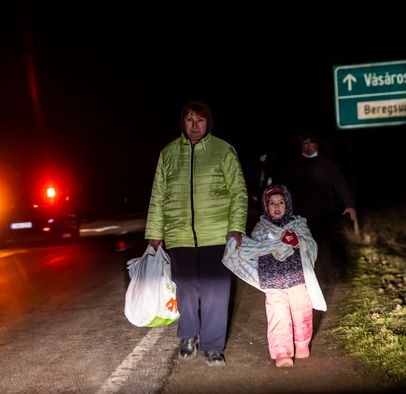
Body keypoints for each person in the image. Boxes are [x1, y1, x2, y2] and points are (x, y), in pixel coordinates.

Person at [145, 100, 248, 366]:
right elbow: (158, 196)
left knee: (216, 290)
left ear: (207, 123)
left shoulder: (223, 150)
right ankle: (189, 335)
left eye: (199, 120)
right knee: (186, 288)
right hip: (179, 234)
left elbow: (238, 192)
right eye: (189, 120)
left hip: (217, 234)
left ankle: (213, 346)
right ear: (183, 123)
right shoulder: (168, 154)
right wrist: (155, 233)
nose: (194, 125)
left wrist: (235, 228)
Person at [222, 184, 326, 368]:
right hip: (272, 279)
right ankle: (282, 352)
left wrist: (296, 241)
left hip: (296, 277)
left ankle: (302, 344)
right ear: (266, 206)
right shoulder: (261, 228)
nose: (277, 206)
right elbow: (256, 247)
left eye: (281, 202)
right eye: (272, 203)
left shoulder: (298, 224)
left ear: (288, 205)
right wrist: (273, 244)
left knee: (301, 309)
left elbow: (311, 245)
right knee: (278, 314)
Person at [277, 134, 357, 280]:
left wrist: (350, 205)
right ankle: (306, 277)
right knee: (301, 247)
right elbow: (284, 189)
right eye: (305, 144)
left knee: (323, 247)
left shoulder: (327, 164)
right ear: (301, 146)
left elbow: (341, 184)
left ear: (317, 145)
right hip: (300, 216)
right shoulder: (293, 165)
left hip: (323, 214)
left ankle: (324, 277)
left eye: (311, 143)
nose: (308, 146)